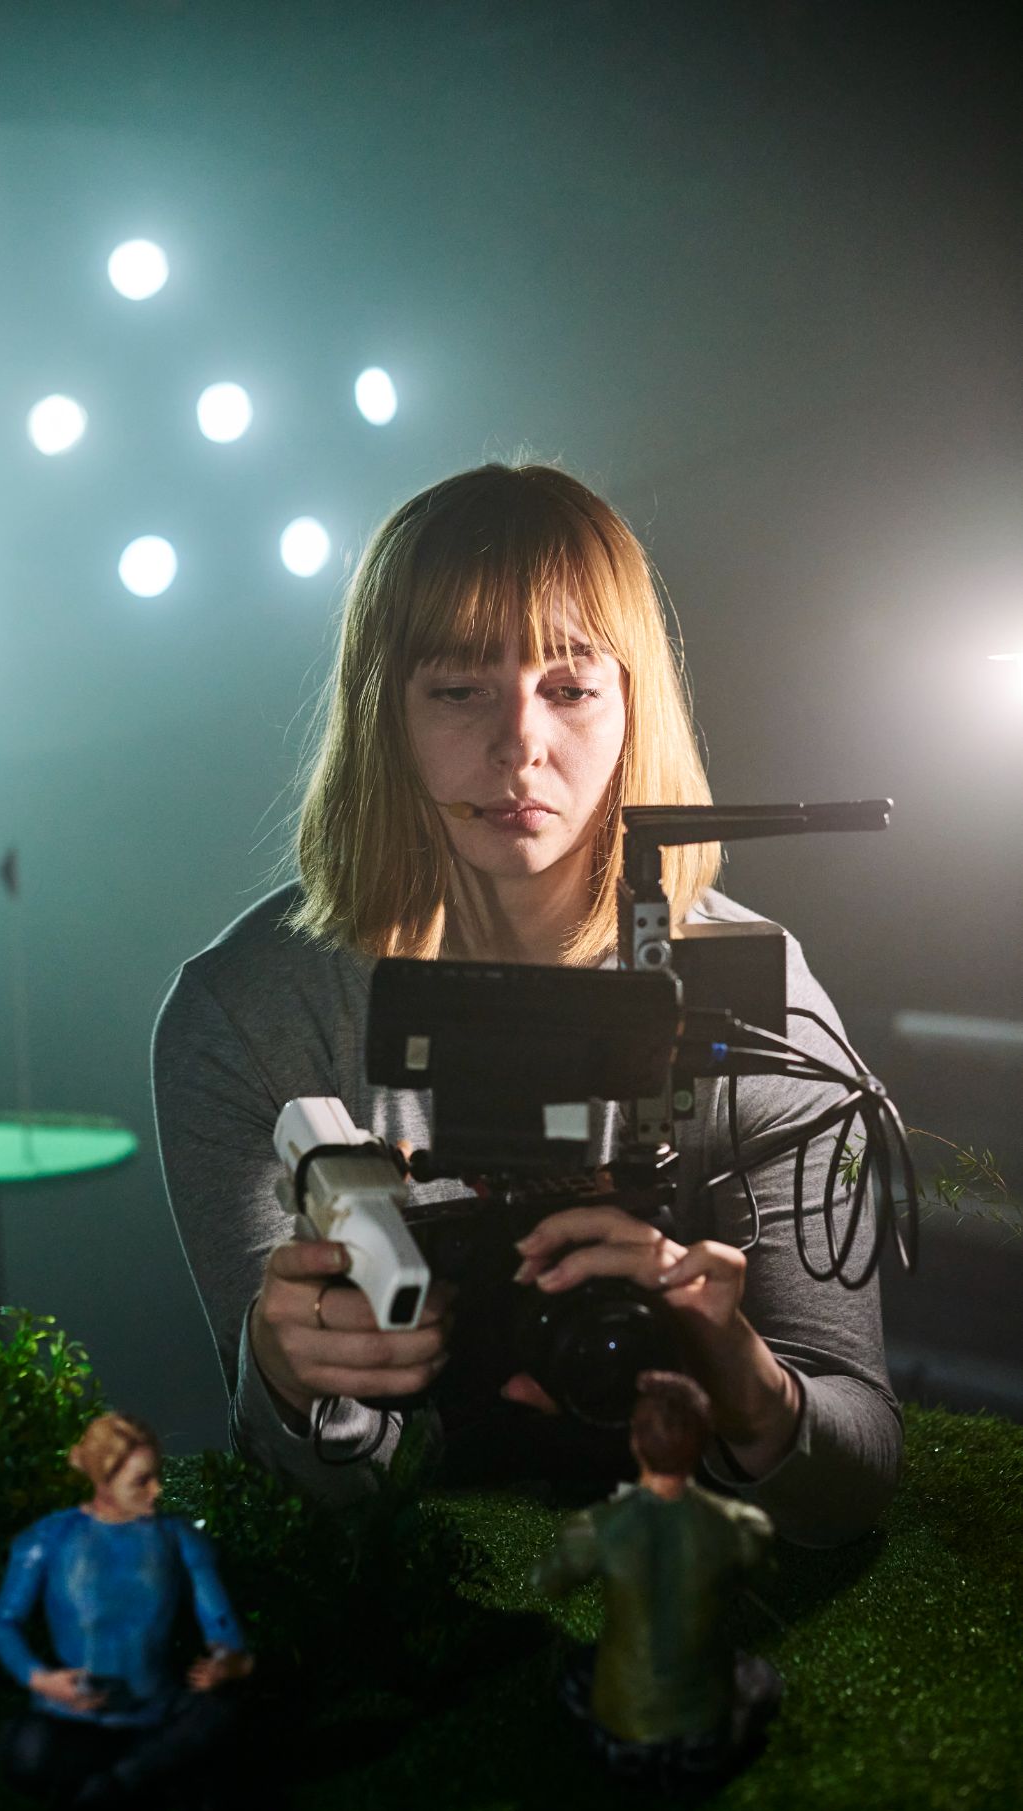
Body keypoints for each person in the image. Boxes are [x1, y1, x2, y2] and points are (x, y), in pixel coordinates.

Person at [152, 461, 902, 1546]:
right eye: (458, 690)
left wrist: (742, 1382)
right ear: (382, 713)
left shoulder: (756, 997)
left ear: (633, 702)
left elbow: (852, 1467)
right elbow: (304, 1505)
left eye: (570, 687)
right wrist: (288, 1378)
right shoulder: (250, 1018)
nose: (519, 746)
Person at [0, 1412, 254, 1811]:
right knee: (25, 1752)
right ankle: (159, 1776)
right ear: (104, 1482)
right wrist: (44, 1681)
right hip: (78, 1715)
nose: (157, 1490)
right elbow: (2, 1625)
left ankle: (110, 1789)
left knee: (223, 1714)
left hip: (158, 1709)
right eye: (141, 1481)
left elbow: (223, 1629)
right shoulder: (48, 1539)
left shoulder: (180, 1539)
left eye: (157, 1476)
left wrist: (226, 1664)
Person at [532, 1371, 780, 1789]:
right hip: (706, 1739)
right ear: (704, 1440)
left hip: (619, 1740)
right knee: (757, 1677)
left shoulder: (596, 1527)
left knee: (578, 1669)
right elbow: (763, 1578)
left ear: (635, 1441)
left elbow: (547, 1581)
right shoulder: (741, 1526)